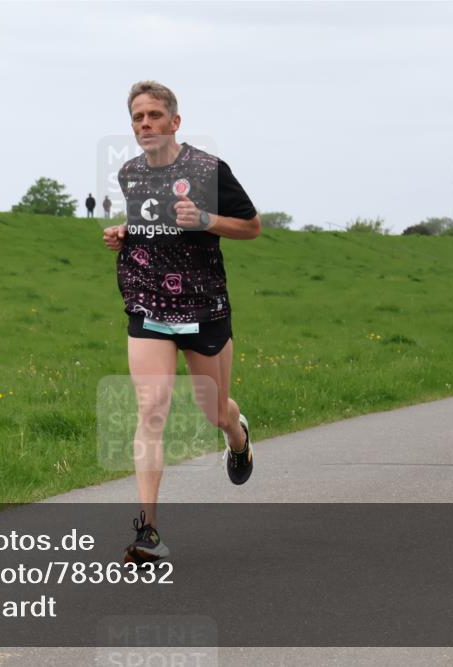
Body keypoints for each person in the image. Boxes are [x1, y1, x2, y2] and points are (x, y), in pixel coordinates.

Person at [102, 81, 261, 565]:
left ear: (175, 121)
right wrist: (126, 232)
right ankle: (148, 531)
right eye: (137, 118)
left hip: (202, 305)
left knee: (213, 411)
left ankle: (237, 435)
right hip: (147, 302)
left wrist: (207, 220)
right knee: (151, 407)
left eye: (153, 115)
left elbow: (251, 226)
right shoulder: (130, 173)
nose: (145, 124)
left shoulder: (208, 170)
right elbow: (153, 223)